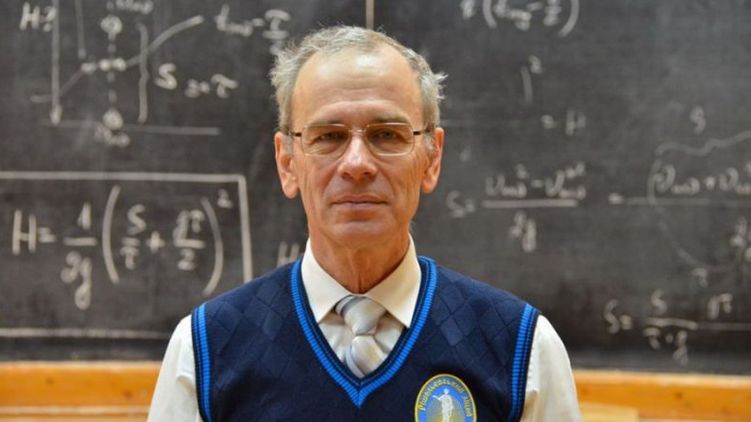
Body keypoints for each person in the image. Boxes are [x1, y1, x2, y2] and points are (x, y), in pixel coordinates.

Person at [148, 25, 580, 421]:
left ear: (431, 158)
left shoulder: (520, 349)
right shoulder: (206, 352)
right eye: (329, 137)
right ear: (287, 163)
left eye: (387, 135)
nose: (356, 163)